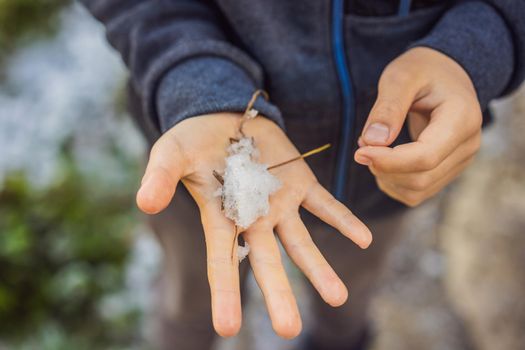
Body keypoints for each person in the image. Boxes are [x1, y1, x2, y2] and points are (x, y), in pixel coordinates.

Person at [82, 1, 525, 349]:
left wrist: (477, 48)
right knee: (193, 298)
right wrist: (195, 80)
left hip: (374, 185)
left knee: (347, 295)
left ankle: (339, 343)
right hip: (193, 159)